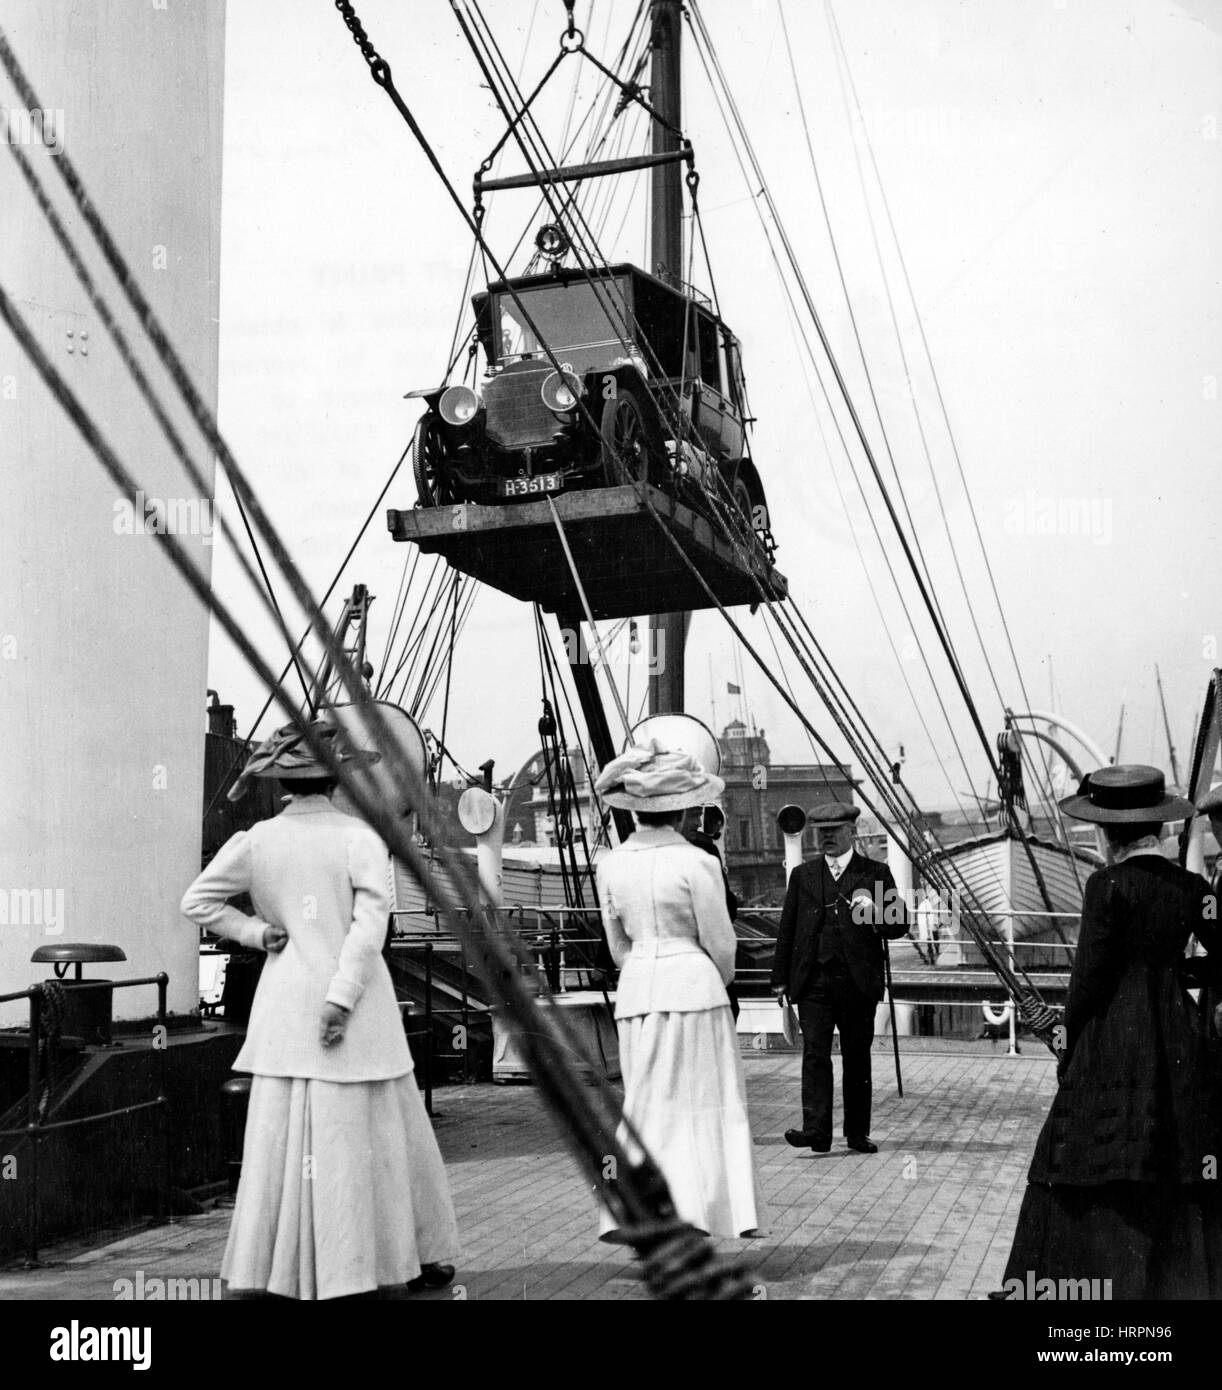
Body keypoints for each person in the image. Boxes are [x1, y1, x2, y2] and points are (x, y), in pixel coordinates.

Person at [181, 719, 459, 1300]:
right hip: (362, 1012)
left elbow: (198, 900)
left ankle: (281, 1270)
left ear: (282, 782)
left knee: (287, 1138)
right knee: (380, 1133)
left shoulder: (256, 840)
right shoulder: (360, 838)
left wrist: (256, 933)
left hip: (287, 1007)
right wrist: (342, 997)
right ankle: (400, 1257)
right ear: (336, 780)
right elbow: (369, 928)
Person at [1000, 765, 1222, 1299]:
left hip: (1111, 1041)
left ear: (1106, 833)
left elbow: (1089, 980)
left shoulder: (1106, 885)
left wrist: (1065, 1043)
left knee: (1093, 1155)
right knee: (1178, 1158)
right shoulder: (1194, 888)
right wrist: (1175, 975)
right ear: (1161, 829)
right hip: (1177, 1042)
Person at [593, 743, 763, 1241]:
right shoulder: (697, 863)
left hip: (639, 989)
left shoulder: (611, 865)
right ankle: (700, 1209)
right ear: (683, 808)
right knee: (707, 1103)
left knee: (647, 1104)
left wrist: (646, 967)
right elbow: (721, 943)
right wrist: (709, 974)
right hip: (695, 988)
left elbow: (617, 946)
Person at [770, 801, 907, 1154]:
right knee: (815, 1054)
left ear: (852, 831)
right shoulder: (803, 876)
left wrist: (877, 912)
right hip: (813, 983)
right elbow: (788, 930)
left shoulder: (875, 874)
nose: (828, 838)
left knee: (856, 1057)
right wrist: (780, 981)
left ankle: (857, 1133)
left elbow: (899, 926)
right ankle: (816, 1131)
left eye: (835, 831)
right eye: (822, 833)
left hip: (857, 983)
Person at [681, 804, 740, 1021]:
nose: (698, 822)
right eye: (694, 815)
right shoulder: (706, 851)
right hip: (704, 956)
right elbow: (725, 906)